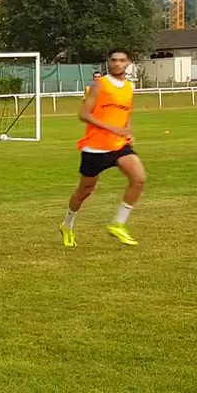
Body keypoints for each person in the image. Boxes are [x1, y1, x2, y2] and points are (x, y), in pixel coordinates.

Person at [60, 49, 145, 247]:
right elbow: (84, 114)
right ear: (108, 62)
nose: (117, 64)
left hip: (119, 145)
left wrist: (128, 132)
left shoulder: (129, 87)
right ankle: (67, 224)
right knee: (85, 190)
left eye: (122, 60)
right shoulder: (101, 85)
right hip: (95, 148)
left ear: (128, 63)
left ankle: (118, 224)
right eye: (114, 60)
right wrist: (112, 128)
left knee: (139, 178)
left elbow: (126, 114)